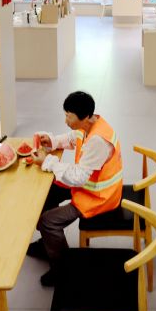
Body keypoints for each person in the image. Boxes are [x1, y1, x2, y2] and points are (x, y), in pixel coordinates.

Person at [28, 91, 123, 286]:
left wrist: (48, 161)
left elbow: (78, 178)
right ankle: (48, 243)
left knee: (48, 221)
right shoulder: (89, 124)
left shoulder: (99, 141)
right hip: (88, 185)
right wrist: (53, 141)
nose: (66, 121)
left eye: (69, 117)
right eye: (65, 115)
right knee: (47, 192)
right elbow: (73, 138)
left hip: (99, 196)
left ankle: (61, 268)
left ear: (85, 116)